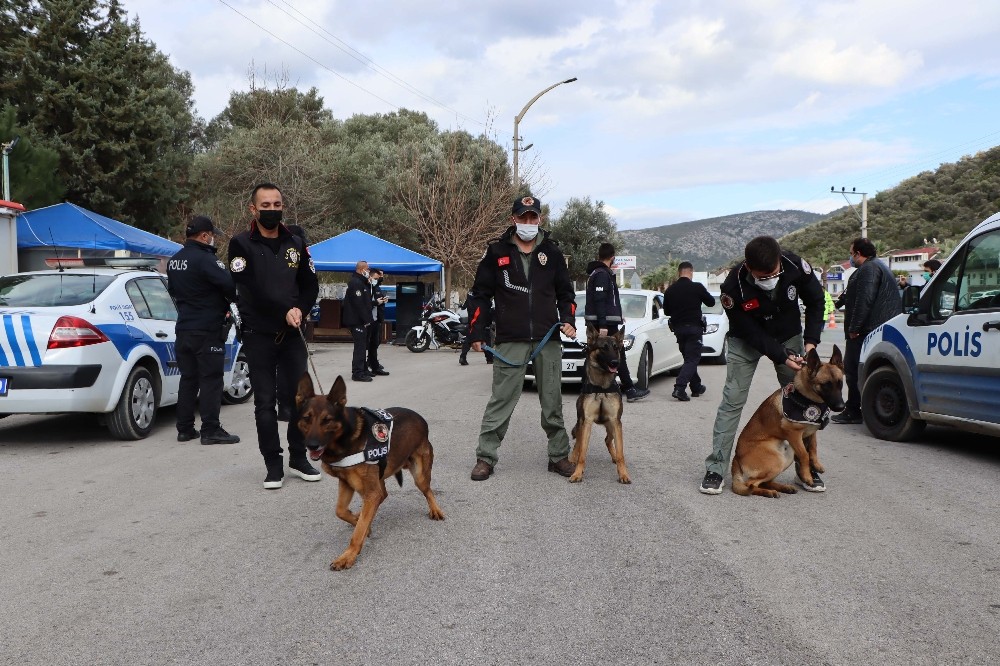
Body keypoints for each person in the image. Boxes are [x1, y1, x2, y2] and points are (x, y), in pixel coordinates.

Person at [700, 236, 826, 495]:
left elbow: (816, 302)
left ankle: (806, 468)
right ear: (748, 267)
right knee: (732, 401)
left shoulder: (795, 266)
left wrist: (811, 343)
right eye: (763, 276)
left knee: (803, 403)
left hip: (788, 335)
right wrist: (781, 355)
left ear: (780, 260)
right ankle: (716, 468)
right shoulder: (732, 287)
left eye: (774, 273)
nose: (770, 279)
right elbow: (750, 331)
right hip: (747, 340)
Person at [466, 195, 578, 481]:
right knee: (501, 399)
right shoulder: (496, 252)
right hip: (510, 338)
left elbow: (566, 294)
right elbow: (480, 295)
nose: (528, 221)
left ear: (540, 219)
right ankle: (485, 457)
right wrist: (476, 331)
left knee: (552, 400)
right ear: (513, 219)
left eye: (533, 217)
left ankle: (559, 456)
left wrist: (568, 320)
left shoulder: (552, 253)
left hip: (547, 338)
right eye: (523, 217)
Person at [227, 183, 321, 490]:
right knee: (265, 404)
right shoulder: (240, 244)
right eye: (265, 205)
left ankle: (298, 457)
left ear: (283, 206)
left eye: (276, 204)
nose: (272, 210)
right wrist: (285, 310)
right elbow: (249, 288)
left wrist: (301, 309)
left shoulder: (296, 242)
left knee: (299, 402)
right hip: (258, 335)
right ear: (253, 209)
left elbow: (310, 284)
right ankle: (273, 464)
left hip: (292, 335)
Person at [167, 215, 241, 445]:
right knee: (211, 379)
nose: (212, 240)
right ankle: (210, 429)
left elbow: (173, 291)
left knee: (188, 378)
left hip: (184, 328)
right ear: (204, 235)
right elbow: (230, 286)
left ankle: (185, 429)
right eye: (211, 236)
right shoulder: (206, 259)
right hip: (207, 329)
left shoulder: (174, 261)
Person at [830, 238, 902, 425]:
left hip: (865, 330)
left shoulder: (869, 269)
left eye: (851, 253)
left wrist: (855, 328)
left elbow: (865, 300)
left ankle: (853, 410)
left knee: (852, 370)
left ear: (858, 253)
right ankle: (861, 407)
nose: (850, 257)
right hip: (874, 328)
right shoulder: (875, 267)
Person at [584, 242, 650, 402]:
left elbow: (607, 301)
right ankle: (630, 390)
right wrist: (603, 325)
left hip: (607, 321)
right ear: (613, 258)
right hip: (604, 324)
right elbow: (600, 300)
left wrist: (618, 315)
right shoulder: (601, 274)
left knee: (600, 355)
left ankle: (592, 388)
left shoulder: (600, 273)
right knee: (616, 355)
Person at [662, 260, 715, 401]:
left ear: (678, 272)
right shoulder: (697, 287)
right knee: (692, 359)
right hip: (694, 329)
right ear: (691, 272)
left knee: (688, 359)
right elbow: (711, 302)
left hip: (678, 329)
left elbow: (667, 311)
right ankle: (679, 388)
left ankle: (696, 386)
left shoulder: (670, 290)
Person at [342, 260, 374, 382]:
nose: (369, 271)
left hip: (361, 320)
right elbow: (358, 304)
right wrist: (366, 320)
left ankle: (364, 369)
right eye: (368, 269)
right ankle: (357, 373)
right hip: (356, 321)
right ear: (362, 270)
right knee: (360, 347)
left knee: (363, 345)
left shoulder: (362, 282)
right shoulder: (355, 282)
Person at [365, 268, 390, 376]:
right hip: (369, 320)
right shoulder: (367, 287)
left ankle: (374, 365)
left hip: (376, 318)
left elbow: (376, 300)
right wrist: (376, 302)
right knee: (369, 344)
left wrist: (383, 301)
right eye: (378, 276)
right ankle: (367, 365)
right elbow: (366, 303)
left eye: (381, 276)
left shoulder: (376, 287)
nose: (380, 278)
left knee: (375, 343)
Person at [458, 291, 494, 365]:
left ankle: (463, 356)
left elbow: (465, 306)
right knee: (486, 337)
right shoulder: (481, 293)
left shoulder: (471, 294)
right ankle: (489, 358)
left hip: (472, 318)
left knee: (470, 337)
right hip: (480, 317)